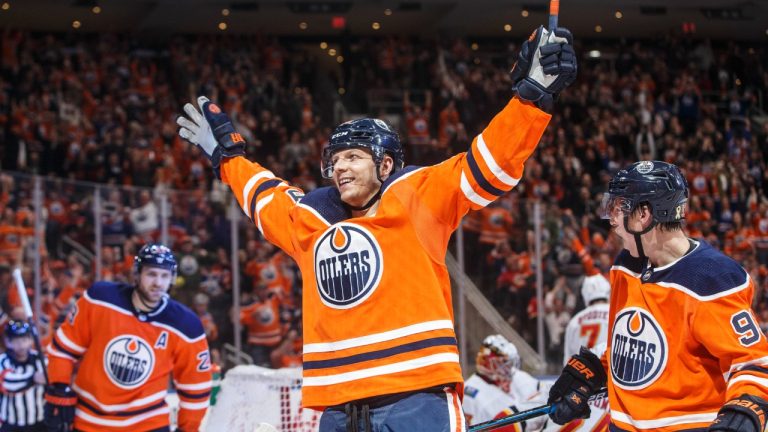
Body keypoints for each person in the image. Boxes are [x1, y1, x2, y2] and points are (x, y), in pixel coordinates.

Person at [177, 25, 577, 431]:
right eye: (335, 160)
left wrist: (530, 100)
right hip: (338, 409)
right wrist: (227, 157)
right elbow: (264, 197)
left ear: (386, 166)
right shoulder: (311, 220)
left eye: (353, 156)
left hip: (417, 398)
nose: (341, 167)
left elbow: (490, 161)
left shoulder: (418, 195)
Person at [547, 160, 768, 432]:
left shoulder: (711, 278)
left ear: (643, 214)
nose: (612, 219)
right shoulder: (626, 265)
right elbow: (637, 348)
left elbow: (755, 362)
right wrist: (594, 371)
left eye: (619, 208)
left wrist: (744, 411)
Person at [44, 243, 212, 432]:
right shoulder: (100, 299)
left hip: (148, 424)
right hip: (89, 420)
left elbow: (196, 386)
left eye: (164, 276)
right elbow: (63, 348)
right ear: (137, 274)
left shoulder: (185, 325)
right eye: (151, 274)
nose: (158, 283)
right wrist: (59, 386)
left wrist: (188, 428)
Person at [463, 334, 550, 431]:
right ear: (486, 362)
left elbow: (546, 396)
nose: (508, 368)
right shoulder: (469, 393)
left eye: (509, 363)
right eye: (503, 362)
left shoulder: (518, 376)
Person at [0, 320, 47, 431]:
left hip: (39, 422)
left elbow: (51, 379)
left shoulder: (40, 360)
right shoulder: (2, 361)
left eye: (24, 339)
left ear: (31, 340)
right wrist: (33, 378)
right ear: (8, 342)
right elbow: (7, 383)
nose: (21, 345)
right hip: (12, 424)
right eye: (16, 340)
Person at [562, 274, 610, 363]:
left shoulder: (575, 321)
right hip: (607, 372)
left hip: (582, 374)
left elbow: (568, 361)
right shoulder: (615, 314)